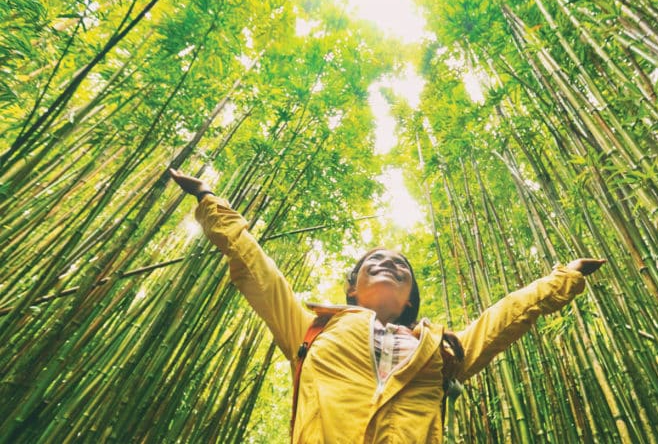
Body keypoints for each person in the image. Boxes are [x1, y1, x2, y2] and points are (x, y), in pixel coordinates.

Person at [169, 168, 606, 443]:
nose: (388, 264)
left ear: (410, 296)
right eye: (373, 262)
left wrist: (564, 278)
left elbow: (505, 316)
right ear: (352, 288)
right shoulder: (309, 328)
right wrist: (210, 201)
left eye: (400, 265)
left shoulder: (444, 350)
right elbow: (255, 268)